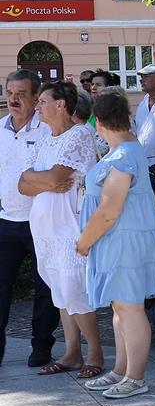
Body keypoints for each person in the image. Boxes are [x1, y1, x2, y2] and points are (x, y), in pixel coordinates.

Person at [75, 90, 155, 399]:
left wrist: (84, 241)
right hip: (119, 240)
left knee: (130, 307)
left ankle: (135, 377)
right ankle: (121, 370)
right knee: (121, 306)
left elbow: (109, 210)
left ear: (99, 122)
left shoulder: (123, 156)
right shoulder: (124, 151)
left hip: (124, 240)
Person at [17, 81, 104, 378]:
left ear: (61, 105)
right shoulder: (45, 138)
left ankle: (95, 353)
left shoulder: (79, 134)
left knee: (74, 289)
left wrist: (37, 178)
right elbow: (22, 184)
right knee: (59, 292)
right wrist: (38, 178)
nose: (37, 106)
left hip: (70, 225)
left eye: (42, 101)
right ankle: (72, 353)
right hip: (45, 229)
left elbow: (56, 177)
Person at [0, 71, 60, 368]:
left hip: (42, 220)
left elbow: (56, 178)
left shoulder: (48, 130)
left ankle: (41, 346)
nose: (13, 99)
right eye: (10, 92)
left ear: (36, 98)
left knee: (45, 287)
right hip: (5, 220)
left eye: (21, 93)